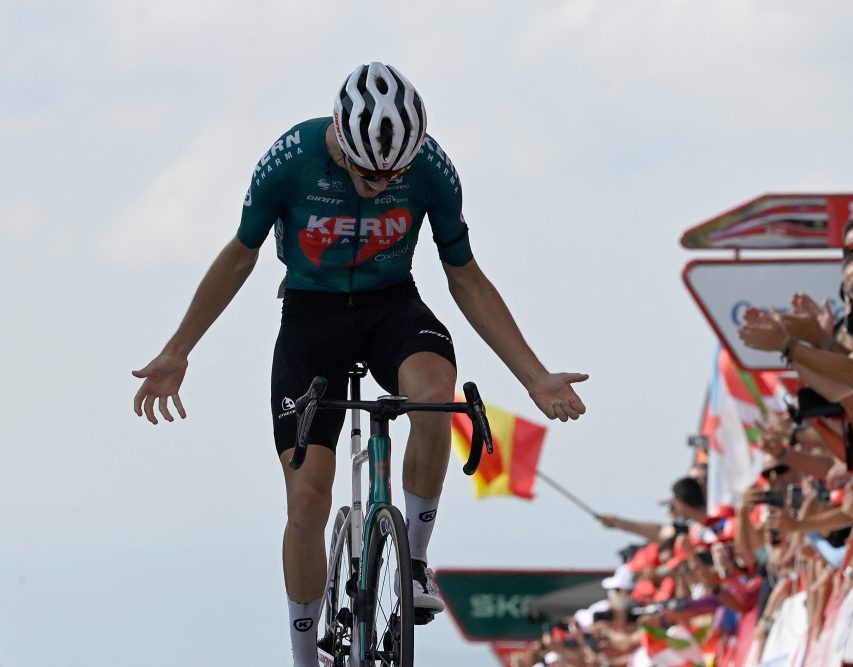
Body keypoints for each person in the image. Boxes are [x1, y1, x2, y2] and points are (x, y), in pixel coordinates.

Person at [131, 62, 588, 667]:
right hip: (310, 318)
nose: (381, 184)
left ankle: (417, 561)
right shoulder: (291, 158)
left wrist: (533, 375)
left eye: (394, 173)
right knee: (306, 502)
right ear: (342, 140)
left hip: (391, 308)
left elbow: (466, 277)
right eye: (370, 172)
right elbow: (240, 257)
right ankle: (302, 654)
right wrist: (177, 349)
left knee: (432, 397)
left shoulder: (430, 169)